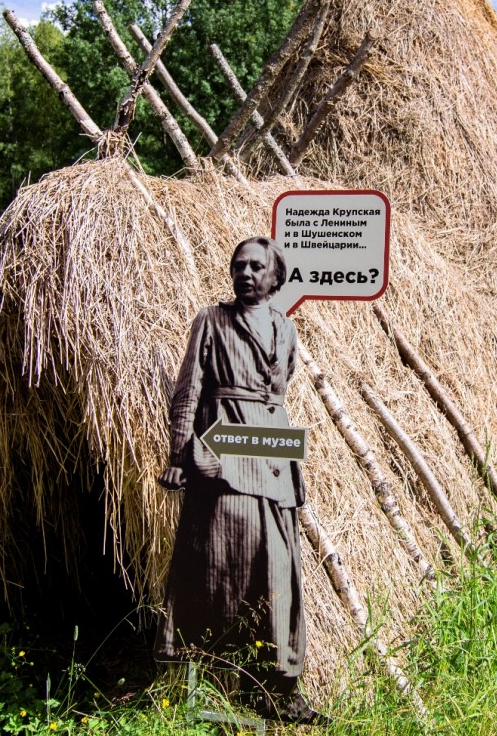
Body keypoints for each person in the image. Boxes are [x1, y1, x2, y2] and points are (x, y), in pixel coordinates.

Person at [156, 236, 322, 725]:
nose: (246, 274)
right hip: (224, 460)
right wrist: (181, 455)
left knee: (279, 572)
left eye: (256, 267)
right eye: (239, 266)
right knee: (219, 561)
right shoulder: (211, 321)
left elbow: (280, 394)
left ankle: (277, 687)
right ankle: (212, 676)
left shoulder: (286, 331)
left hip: (273, 461)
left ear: (275, 279)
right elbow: (187, 391)